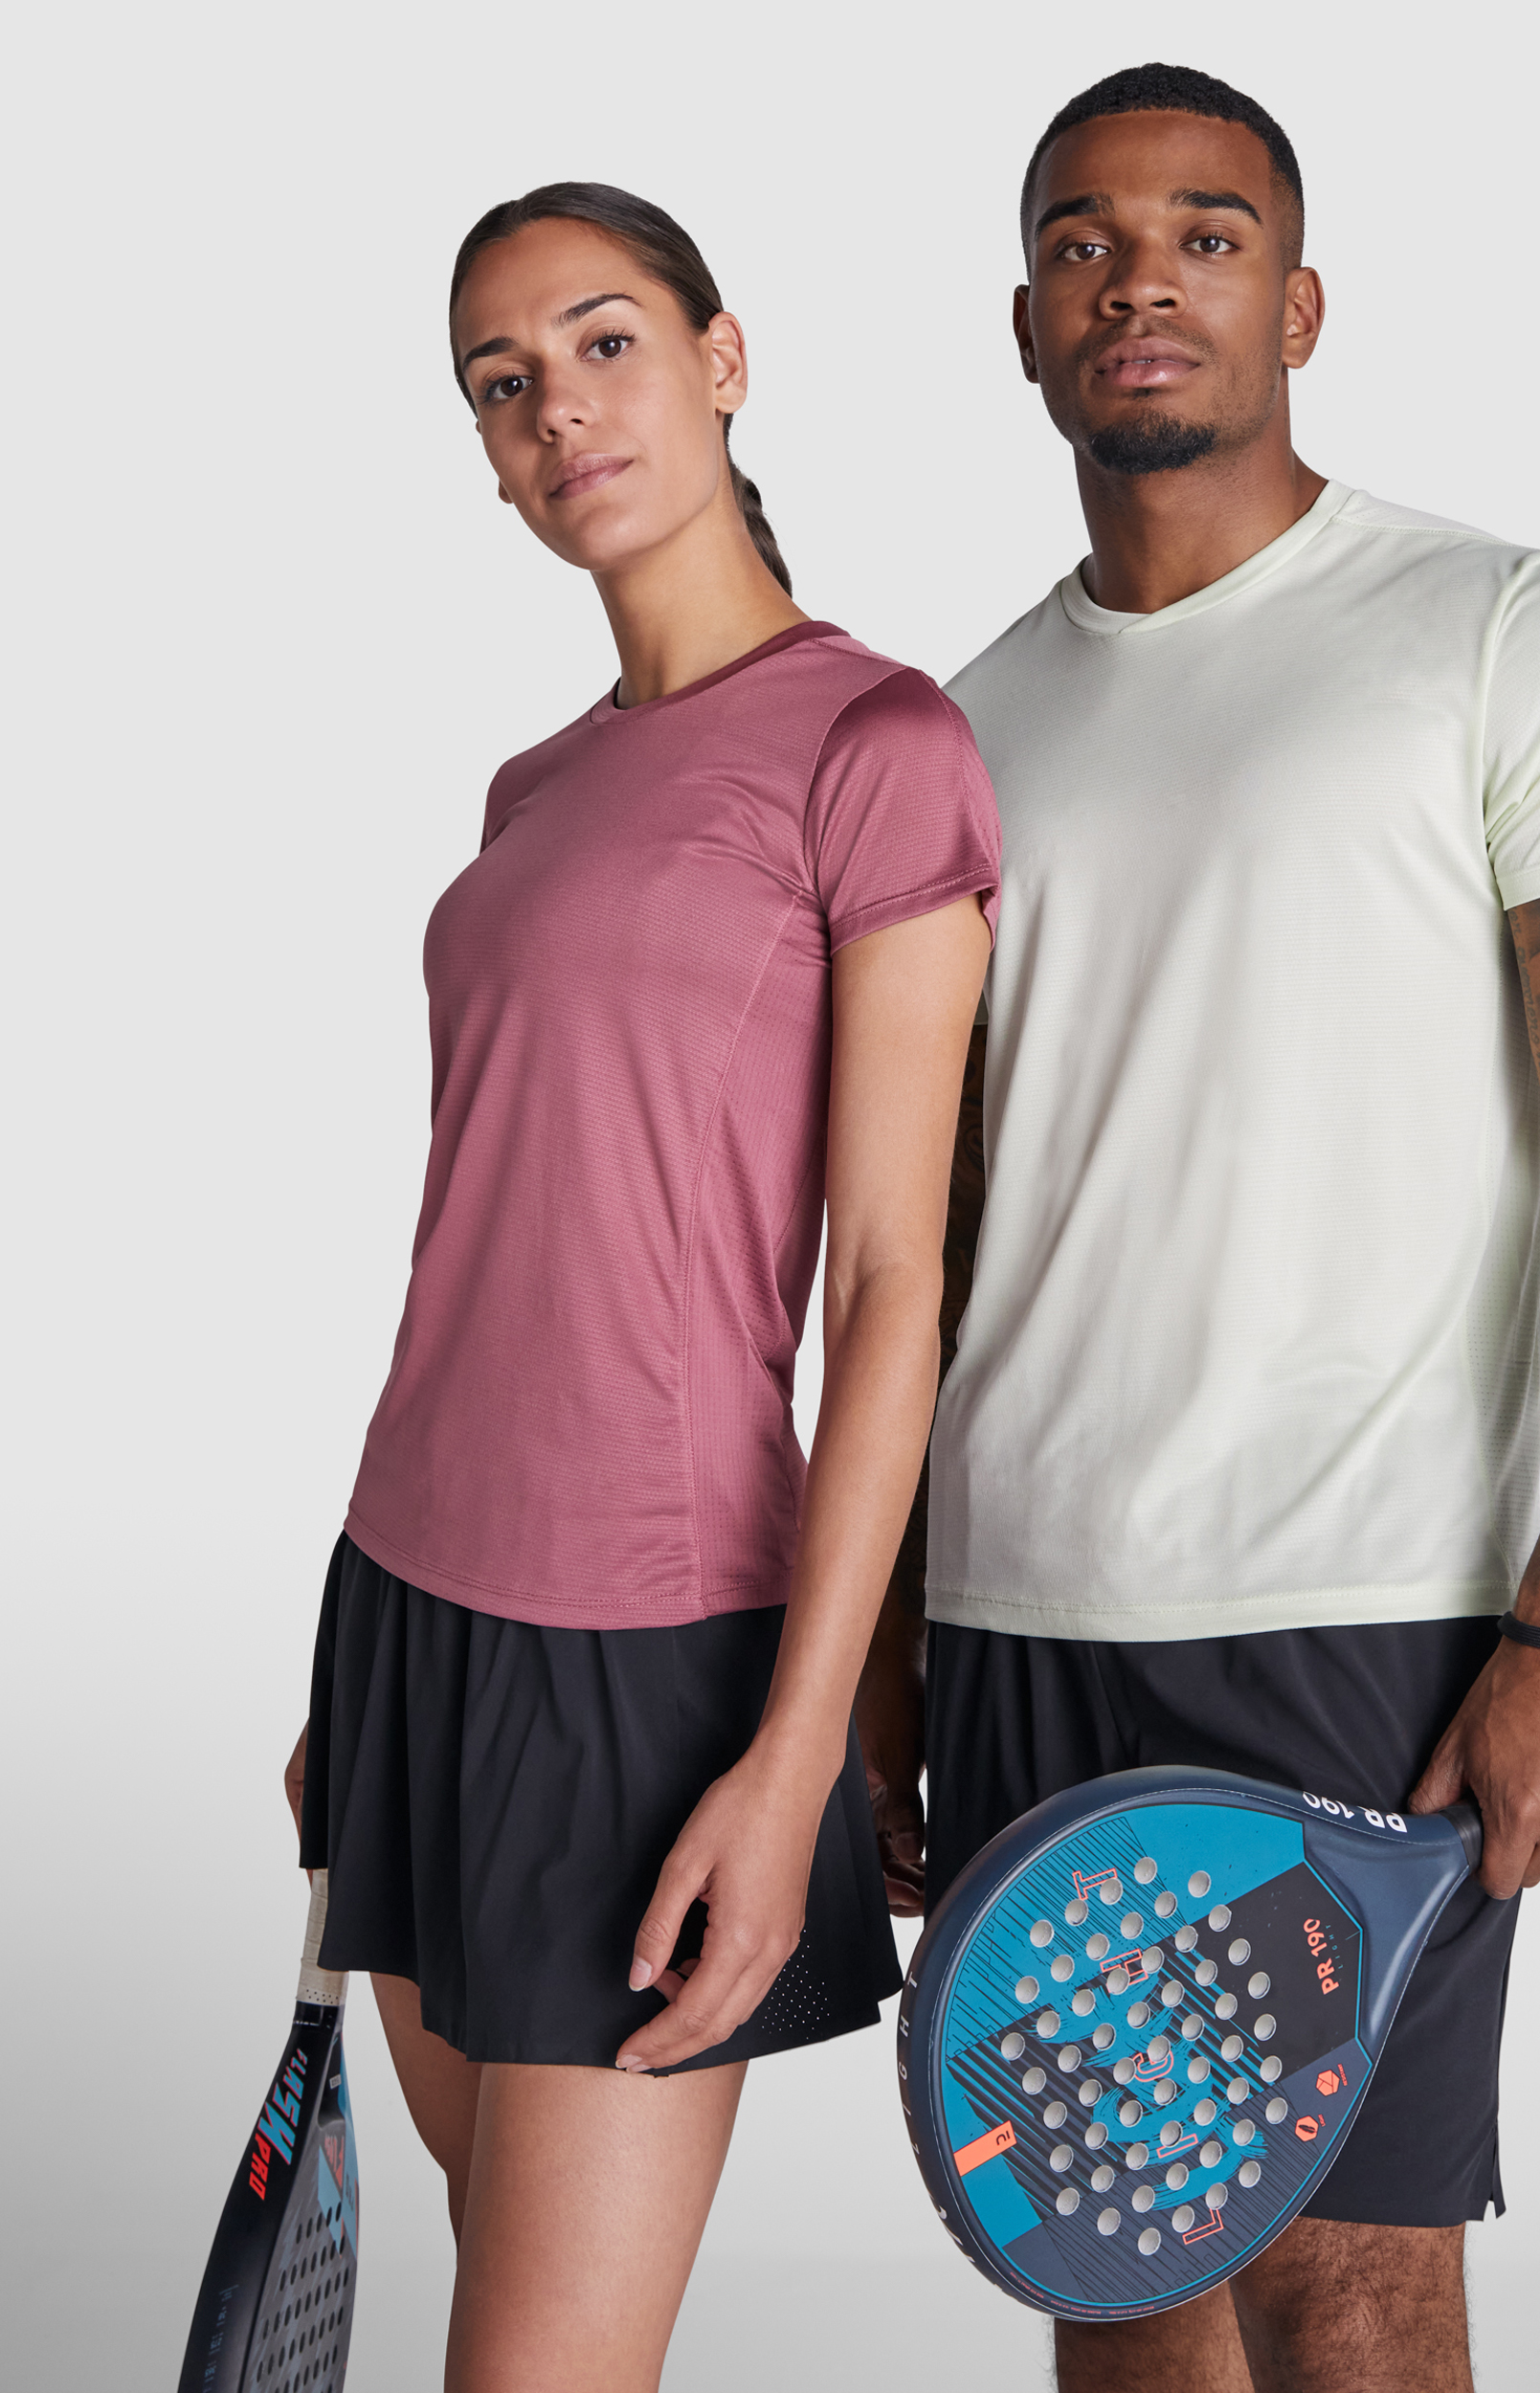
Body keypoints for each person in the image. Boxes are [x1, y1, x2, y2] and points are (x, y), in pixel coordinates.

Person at [857, 63, 1540, 2393]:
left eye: (1206, 232)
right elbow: (936, 1225)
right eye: (1079, 241)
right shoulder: (958, 732)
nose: (1138, 277)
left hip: (1353, 1614)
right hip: (1022, 1606)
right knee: (1117, 2284)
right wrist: (884, 1636)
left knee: (1345, 2294)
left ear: (1301, 302)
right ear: (1023, 324)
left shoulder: (1504, 627)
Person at [280, 182, 998, 2390]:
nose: (557, 411)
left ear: (721, 358)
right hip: (411, 1602)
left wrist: (797, 1752)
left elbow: (893, 1282)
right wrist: (365, 1680)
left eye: (603, 343)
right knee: (495, 2302)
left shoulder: (878, 746)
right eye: (501, 383)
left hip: (646, 1653)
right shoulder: (537, 781)